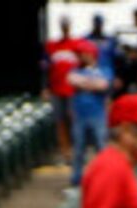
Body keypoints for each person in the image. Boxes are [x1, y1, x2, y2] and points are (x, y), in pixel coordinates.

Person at [67, 40, 113, 182]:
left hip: (98, 114)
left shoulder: (104, 69)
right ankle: (77, 178)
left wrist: (85, 83)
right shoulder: (75, 70)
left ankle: (105, 176)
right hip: (80, 114)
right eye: (80, 54)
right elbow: (71, 79)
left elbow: (103, 85)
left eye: (84, 53)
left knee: (101, 146)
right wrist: (92, 83)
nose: (82, 56)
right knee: (79, 149)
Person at [45, 17, 88, 158]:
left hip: (72, 90)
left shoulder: (77, 44)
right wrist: (45, 88)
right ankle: (65, 151)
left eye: (67, 25)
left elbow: (86, 64)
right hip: (56, 89)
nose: (65, 28)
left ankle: (77, 149)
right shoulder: (52, 45)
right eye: (63, 25)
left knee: (73, 120)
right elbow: (46, 68)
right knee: (60, 121)